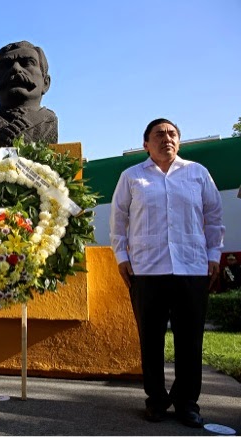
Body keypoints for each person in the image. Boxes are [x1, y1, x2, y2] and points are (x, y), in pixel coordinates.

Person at [109, 118, 224, 428]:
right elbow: (118, 220)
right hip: (147, 269)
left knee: (190, 339)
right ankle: (156, 400)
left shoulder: (197, 174)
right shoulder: (132, 177)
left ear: (179, 141)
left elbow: (214, 218)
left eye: (172, 134)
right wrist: (121, 256)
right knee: (150, 338)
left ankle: (187, 402)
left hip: (192, 267)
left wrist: (214, 254)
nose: (167, 138)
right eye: (159, 134)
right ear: (146, 144)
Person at [0, 40, 58, 148]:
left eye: (27, 63)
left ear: (46, 83)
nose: (15, 68)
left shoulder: (47, 120)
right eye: (5, 65)